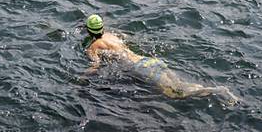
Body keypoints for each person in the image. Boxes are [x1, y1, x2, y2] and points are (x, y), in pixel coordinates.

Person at [84, 15, 237, 104]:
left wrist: (83, 77)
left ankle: (217, 91)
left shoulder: (94, 46)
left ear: (88, 30)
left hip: (140, 68)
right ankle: (212, 90)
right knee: (180, 86)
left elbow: (95, 65)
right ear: (102, 27)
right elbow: (126, 39)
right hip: (149, 61)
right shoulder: (112, 35)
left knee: (176, 93)